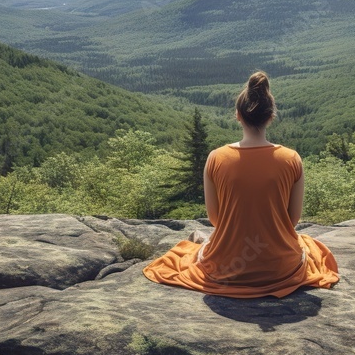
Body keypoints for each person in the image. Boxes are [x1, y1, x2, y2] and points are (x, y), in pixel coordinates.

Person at [142, 71, 340, 298]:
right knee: (309, 246)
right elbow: (292, 221)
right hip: (281, 269)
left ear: (238, 115)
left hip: (226, 269)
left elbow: (216, 219)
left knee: (197, 244)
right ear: (271, 117)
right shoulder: (291, 159)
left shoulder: (216, 158)